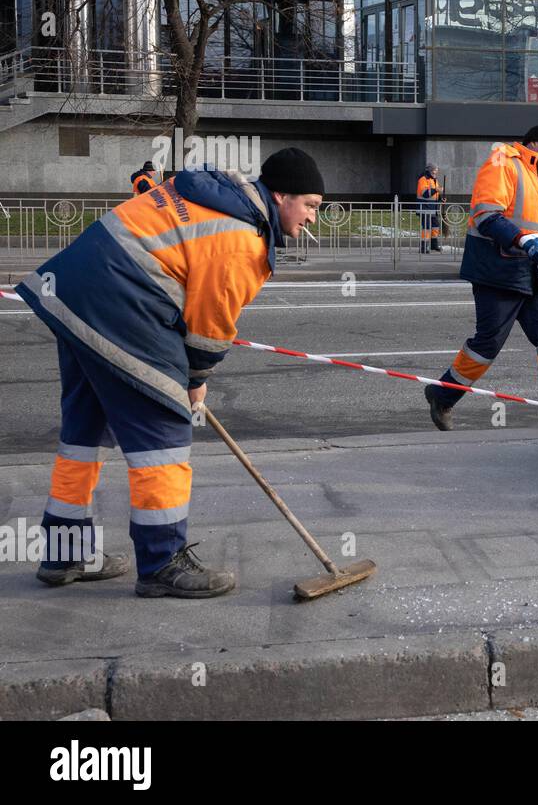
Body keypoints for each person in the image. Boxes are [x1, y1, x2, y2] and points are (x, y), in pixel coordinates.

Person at [17, 148, 325, 597]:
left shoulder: (216, 197)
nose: (314, 218)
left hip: (72, 292)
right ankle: (162, 562)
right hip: (122, 303)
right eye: (311, 206)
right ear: (281, 196)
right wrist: (194, 383)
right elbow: (208, 328)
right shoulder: (242, 238)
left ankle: (64, 554)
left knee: (85, 432)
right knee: (163, 428)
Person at [424, 125, 538, 433]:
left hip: (530, 271)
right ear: (536, 143)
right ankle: (442, 394)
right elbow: (487, 214)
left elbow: (537, 227)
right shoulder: (504, 161)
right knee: (488, 342)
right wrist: (524, 242)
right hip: (498, 270)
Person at [417, 164, 443, 253]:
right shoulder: (423, 179)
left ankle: (434, 245)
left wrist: (440, 198)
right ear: (430, 171)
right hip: (425, 208)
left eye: (436, 171)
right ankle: (424, 247)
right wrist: (437, 190)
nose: (436, 172)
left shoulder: (434, 180)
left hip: (433, 208)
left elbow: (435, 194)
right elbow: (425, 193)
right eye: (434, 171)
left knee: (435, 226)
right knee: (426, 228)